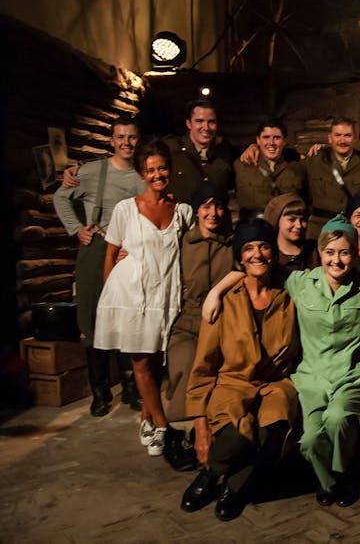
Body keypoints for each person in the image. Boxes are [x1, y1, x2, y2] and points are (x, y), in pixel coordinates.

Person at [181, 218, 300, 522]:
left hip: (274, 383)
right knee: (237, 435)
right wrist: (199, 423)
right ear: (240, 258)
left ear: (273, 252)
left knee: (272, 428)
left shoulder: (290, 294)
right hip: (232, 383)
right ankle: (211, 474)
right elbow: (203, 365)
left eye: (264, 246)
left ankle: (233, 487)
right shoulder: (225, 300)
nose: (257, 254)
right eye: (248, 248)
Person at [93, 139, 194, 456]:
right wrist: (111, 301)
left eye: (161, 168)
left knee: (155, 362)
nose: (157, 175)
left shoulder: (183, 211)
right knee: (140, 362)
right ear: (141, 174)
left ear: (170, 169)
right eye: (150, 170)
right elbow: (111, 255)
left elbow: (189, 252)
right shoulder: (126, 210)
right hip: (132, 295)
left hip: (166, 294)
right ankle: (163, 426)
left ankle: (146, 418)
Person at [53, 116, 147, 416]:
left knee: (128, 318)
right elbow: (60, 197)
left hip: (130, 252)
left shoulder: (143, 174)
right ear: (111, 141)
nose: (126, 143)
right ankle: (100, 391)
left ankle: (130, 387)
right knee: (93, 319)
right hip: (97, 247)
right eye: (121, 137)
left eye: (131, 137)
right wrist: (76, 229)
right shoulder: (93, 171)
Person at [286, 214, 360, 506]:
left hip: (351, 375)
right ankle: (329, 481)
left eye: (344, 253)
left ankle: (343, 474)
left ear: (354, 254)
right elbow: (255, 272)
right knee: (310, 440)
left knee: (338, 419)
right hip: (312, 378)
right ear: (319, 253)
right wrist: (216, 292)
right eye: (329, 252)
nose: (336, 260)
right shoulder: (300, 283)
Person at [162, 182, 234, 471]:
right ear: (196, 210)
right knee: (187, 362)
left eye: (218, 207)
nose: (212, 213)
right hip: (186, 321)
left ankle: (203, 430)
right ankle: (178, 431)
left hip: (220, 322)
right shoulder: (180, 243)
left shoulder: (230, 246)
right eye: (206, 206)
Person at [304, 117, 360, 238]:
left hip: (352, 229)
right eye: (338, 135)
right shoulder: (315, 159)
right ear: (330, 138)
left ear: (355, 138)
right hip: (319, 229)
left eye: (347, 135)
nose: (342, 140)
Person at [233, 117, 307, 220]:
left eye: (277, 138)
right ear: (258, 140)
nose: (271, 142)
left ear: (284, 141)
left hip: (284, 226)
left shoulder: (297, 167)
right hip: (253, 226)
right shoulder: (241, 165)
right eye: (266, 137)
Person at [163, 98, 234, 204]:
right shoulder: (171, 148)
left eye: (211, 122)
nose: (206, 127)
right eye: (199, 121)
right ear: (189, 123)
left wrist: (253, 147)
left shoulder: (225, 150)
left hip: (213, 213)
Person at [262, 192, 320, 271]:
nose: (299, 225)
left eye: (303, 220)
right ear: (277, 220)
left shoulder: (315, 252)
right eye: (292, 219)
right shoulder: (268, 254)